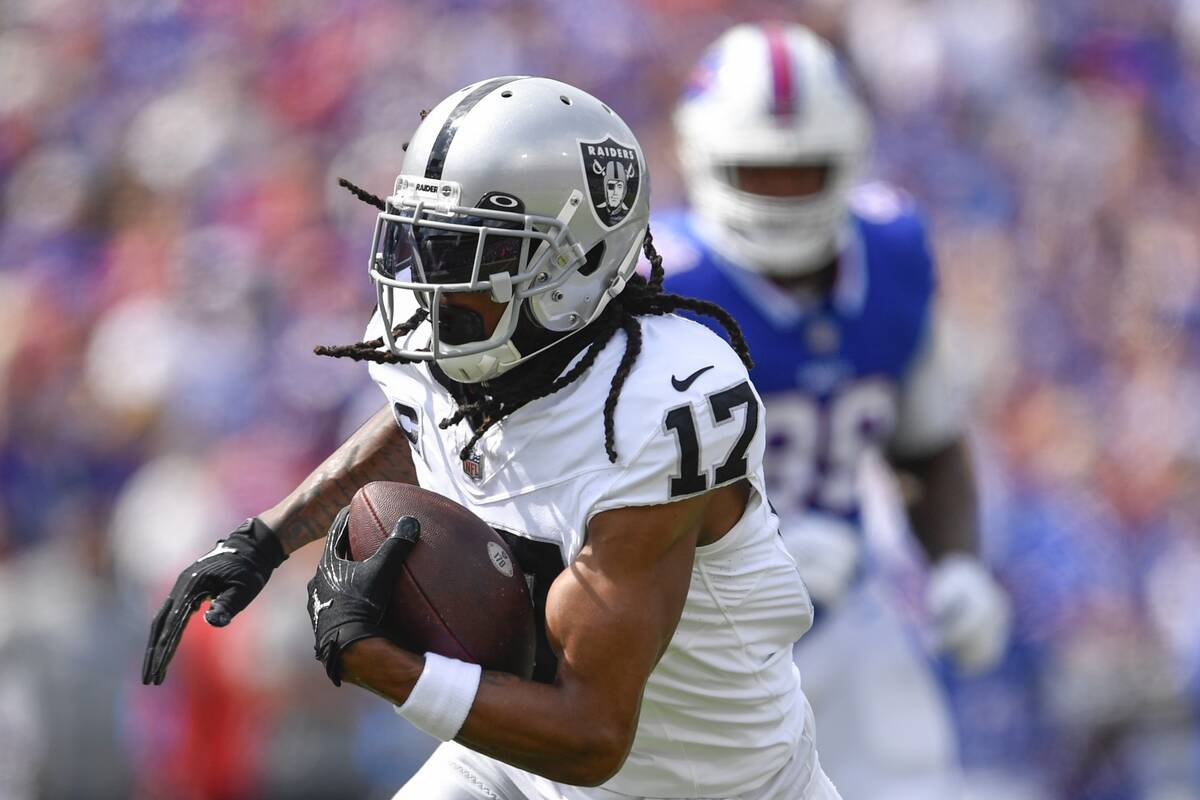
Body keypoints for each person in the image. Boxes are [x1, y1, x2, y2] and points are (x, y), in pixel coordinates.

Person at [142, 76, 841, 799]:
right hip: (511, 764)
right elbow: (421, 423)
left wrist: (383, 667)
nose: (433, 284)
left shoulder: (658, 404)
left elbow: (594, 735)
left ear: (580, 261)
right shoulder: (460, 347)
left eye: (471, 253)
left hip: (704, 785)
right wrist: (268, 537)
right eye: (429, 244)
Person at [658, 23, 1012, 799]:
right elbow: (604, 502)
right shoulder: (656, 289)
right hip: (686, 642)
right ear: (704, 158)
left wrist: (956, 562)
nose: (782, 193)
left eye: (803, 172)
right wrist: (745, 555)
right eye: (759, 172)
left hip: (846, 619)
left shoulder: (891, 257)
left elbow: (927, 446)